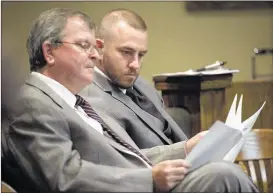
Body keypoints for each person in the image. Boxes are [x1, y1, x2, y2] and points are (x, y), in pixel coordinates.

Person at [1, 8, 259, 193]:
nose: (94, 55)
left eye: (95, 46)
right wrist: (149, 180)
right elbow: (65, 178)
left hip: (136, 182)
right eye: (84, 45)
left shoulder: (72, 100)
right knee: (223, 175)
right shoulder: (31, 103)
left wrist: (184, 150)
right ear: (49, 51)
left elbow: (126, 157)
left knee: (221, 172)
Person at [80, 8, 188, 149]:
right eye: (126, 52)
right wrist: (185, 149)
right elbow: (125, 160)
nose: (135, 64)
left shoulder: (142, 84)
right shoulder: (90, 99)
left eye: (141, 55)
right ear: (100, 48)